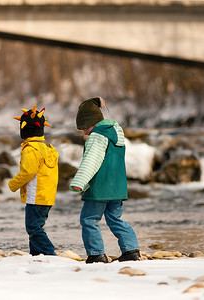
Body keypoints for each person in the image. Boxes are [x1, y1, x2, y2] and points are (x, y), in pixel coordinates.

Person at [69, 97, 140, 264]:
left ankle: (96, 254)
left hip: (100, 187)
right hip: (117, 187)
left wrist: (80, 182)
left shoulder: (97, 137)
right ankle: (131, 250)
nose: (84, 132)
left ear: (91, 122)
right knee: (115, 219)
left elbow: (92, 160)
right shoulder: (116, 134)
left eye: (84, 127)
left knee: (89, 219)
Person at [8, 105, 59, 256]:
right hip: (47, 196)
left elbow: (28, 172)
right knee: (36, 226)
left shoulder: (30, 149)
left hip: (35, 196)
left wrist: (13, 184)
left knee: (33, 228)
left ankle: (49, 254)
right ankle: (37, 255)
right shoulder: (49, 147)